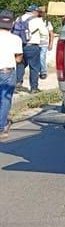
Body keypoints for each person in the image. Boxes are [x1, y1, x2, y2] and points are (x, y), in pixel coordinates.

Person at [13, 5, 48, 93]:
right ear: (34, 11)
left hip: (19, 46)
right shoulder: (37, 20)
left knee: (20, 64)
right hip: (32, 46)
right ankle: (34, 88)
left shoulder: (18, 18)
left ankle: (17, 84)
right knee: (34, 67)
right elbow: (44, 33)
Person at [1, 10, 23, 139]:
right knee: (5, 100)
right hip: (7, 71)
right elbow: (19, 58)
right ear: (12, 23)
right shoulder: (15, 39)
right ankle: (1, 127)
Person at [37, 6, 54, 80]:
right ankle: (38, 71)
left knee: (42, 57)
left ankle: (43, 72)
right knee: (37, 58)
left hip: (44, 43)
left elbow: (51, 34)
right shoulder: (35, 21)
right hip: (36, 43)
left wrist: (51, 43)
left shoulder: (47, 23)